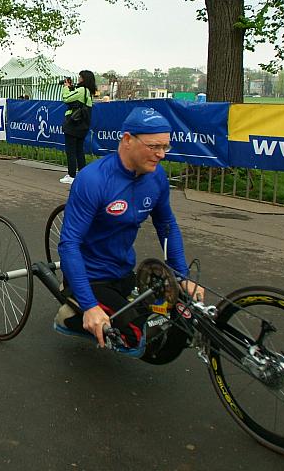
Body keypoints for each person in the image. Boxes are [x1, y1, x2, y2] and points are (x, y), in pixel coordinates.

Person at [55, 106, 203, 354]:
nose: (161, 154)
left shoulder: (156, 178)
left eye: (165, 147)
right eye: (154, 146)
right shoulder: (94, 180)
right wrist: (90, 306)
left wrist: (181, 277)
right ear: (127, 140)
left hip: (124, 273)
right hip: (91, 277)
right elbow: (68, 244)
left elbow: (167, 226)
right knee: (137, 338)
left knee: (181, 321)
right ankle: (70, 315)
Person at [59, 70, 96, 185]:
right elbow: (77, 102)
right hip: (83, 125)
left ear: (84, 79)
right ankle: (82, 174)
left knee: (70, 150)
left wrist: (65, 87)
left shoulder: (81, 90)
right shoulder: (89, 92)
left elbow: (66, 98)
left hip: (73, 124)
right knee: (79, 150)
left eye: (80, 77)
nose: (78, 78)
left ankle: (71, 175)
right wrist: (71, 88)